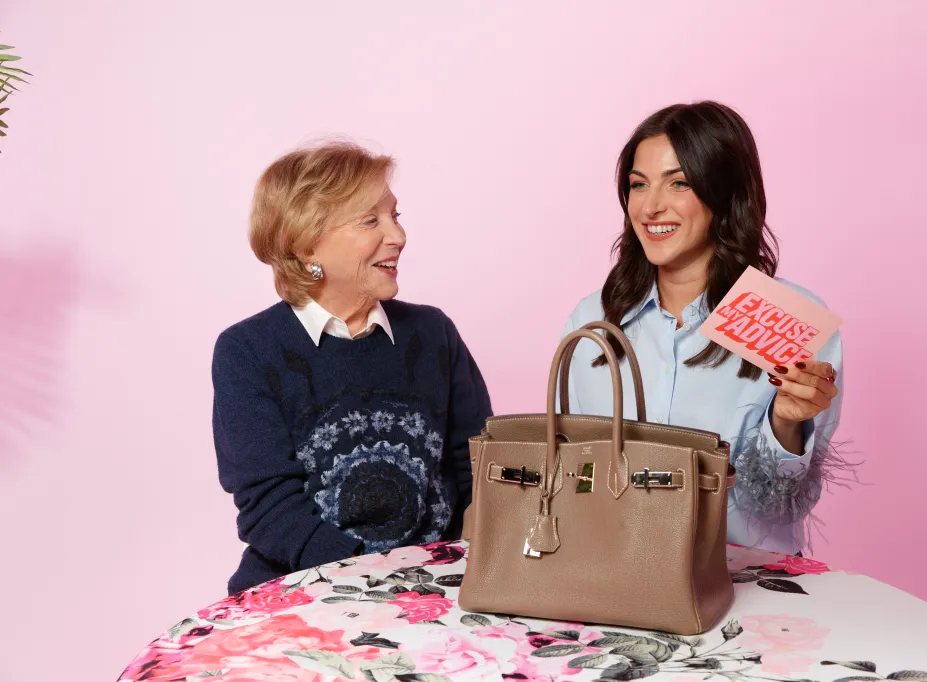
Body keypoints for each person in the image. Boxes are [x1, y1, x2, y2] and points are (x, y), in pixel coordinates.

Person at [559, 102, 848, 555]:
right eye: (638, 185)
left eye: (679, 183)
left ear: (725, 193)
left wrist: (786, 424)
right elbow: (574, 478)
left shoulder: (791, 319)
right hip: (611, 576)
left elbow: (777, 513)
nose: (651, 207)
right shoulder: (592, 320)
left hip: (742, 584)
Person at [212, 141, 492, 593]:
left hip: (433, 590)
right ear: (306, 245)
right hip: (301, 591)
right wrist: (378, 584)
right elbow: (272, 509)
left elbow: (480, 470)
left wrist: (455, 576)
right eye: (370, 221)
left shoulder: (433, 333)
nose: (397, 236)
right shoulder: (247, 352)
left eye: (395, 216)